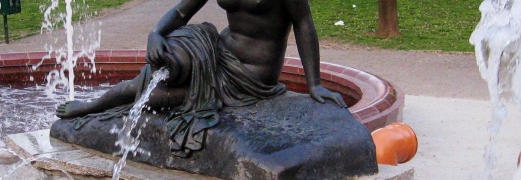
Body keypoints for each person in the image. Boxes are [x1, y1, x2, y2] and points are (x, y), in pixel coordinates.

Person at [56, 0, 347, 157]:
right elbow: (182, 11)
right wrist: (155, 34)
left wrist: (314, 84)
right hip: (217, 50)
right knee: (163, 64)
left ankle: (95, 109)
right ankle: (93, 106)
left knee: (156, 98)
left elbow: (304, 24)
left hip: (250, 74)